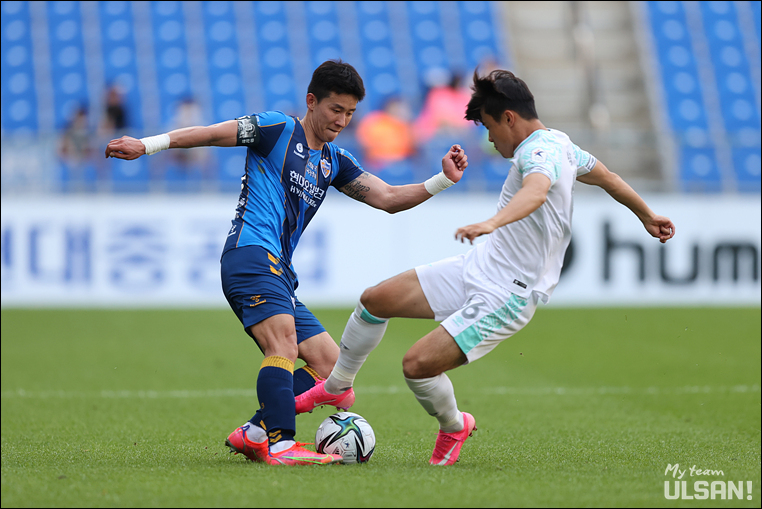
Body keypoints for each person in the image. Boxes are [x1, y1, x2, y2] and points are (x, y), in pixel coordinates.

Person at [295, 69, 676, 466]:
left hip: (508, 294)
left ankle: (454, 425)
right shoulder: (561, 144)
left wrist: (492, 223)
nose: (491, 141)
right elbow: (608, 177)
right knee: (376, 300)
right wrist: (647, 215)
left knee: (417, 366)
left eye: (491, 129)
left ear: (509, 118)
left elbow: (536, 191)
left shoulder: (538, 153)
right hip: (479, 267)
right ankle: (337, 386)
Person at [104, 60, 468, 466]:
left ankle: (256, 433)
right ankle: (280, 444)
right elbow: (210, 133)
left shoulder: (334, 161)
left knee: (329, 365)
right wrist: (147, 145)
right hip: (251, 254)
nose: (342, 121)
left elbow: (388, 198)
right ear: (312, 101)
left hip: (278, 269)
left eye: (350, 113)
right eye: (335, 109)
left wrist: (442, 180)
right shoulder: (276, 128)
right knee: (283, 345)